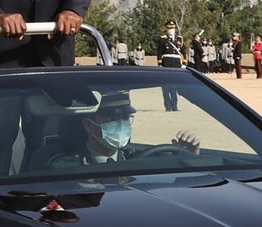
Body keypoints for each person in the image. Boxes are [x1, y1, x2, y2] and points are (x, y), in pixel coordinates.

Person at [46, 91, 199, 167]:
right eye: (112, 119)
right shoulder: (66, 166)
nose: (121, 125)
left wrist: (189, 158)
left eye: (125, 118)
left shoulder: (138, 159)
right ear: (88, 125)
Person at [158, 20, 182, 110]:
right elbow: (159, 52)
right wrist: (160, 64)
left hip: (176, 65)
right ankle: (168, 106)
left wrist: (183, 63)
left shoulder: (179, 39)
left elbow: (183, 52)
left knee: (174, 87)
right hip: (166, 64)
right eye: (169, 28)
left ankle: (174, 106)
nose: (171, 30)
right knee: (166, 87)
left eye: (172, 28)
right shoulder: (163, 39)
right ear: (166, 29)